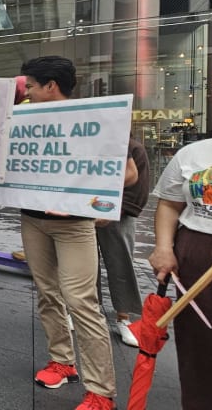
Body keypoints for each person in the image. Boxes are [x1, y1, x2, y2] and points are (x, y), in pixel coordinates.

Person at [19, 56, 129, 410]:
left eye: (31, 86)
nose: (28, 92)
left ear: (51, 86)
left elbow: (127, 173)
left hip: (74, 226)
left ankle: (101, 391)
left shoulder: (95, 118)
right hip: (32, 219)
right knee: (47, 293)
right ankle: (62, 362)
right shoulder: (22, 118)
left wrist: (84, 200)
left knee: (82, 302)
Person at [149, 70, 212, 410]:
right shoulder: (194, 153)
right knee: (204, 348)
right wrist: (164, 248)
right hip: (197, 255)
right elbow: (169, 204)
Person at [96, 137, 148, 347]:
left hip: (118, 213)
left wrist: (118, 210)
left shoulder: (133, 147)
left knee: (120, 264)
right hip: (81, 211)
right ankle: (87, 310)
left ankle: (124, 317)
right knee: (85, 265)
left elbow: (140, 185)